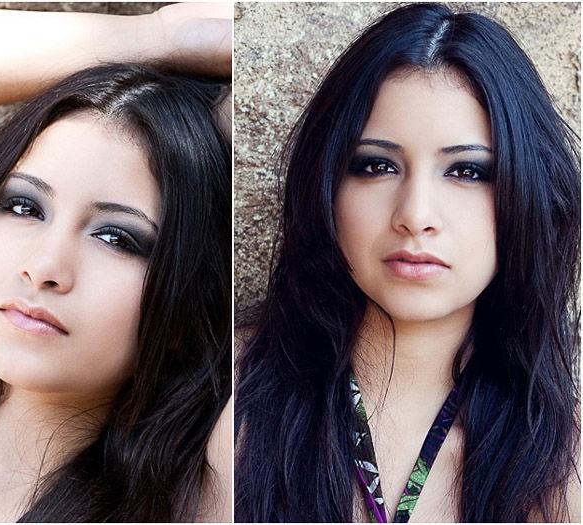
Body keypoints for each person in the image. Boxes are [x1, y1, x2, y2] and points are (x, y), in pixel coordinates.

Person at [0, 4, 232, 522]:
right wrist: (156, 36)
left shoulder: (204, 497)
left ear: (192, 289)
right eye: (24, 206)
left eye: (116, 238)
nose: (45, 265)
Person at [234, 3, 580, 522]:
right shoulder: (225, 396)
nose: (415, 216)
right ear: (325, 185)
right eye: (377, 165)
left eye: (467, 171)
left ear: (529, 191)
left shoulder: (562, 458)